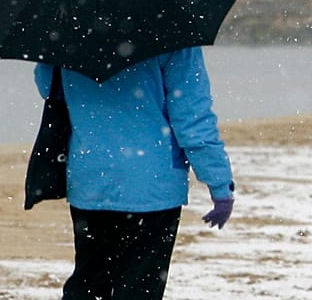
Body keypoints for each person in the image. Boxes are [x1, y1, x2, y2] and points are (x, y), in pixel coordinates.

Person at [36, 47, 235, 300]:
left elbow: (49, 89)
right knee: (140, 288)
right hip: (152, 186)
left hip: (91, 177)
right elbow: (192, 118)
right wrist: (219, 184)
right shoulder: (174, 32)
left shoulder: (68, 27)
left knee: (89, 282)